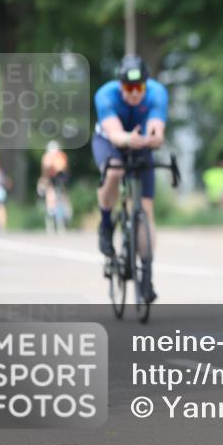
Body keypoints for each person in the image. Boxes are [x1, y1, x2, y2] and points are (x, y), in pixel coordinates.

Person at [92, 55, 169, 302]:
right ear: (120, 85)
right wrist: (127, 139)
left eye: (139, 88)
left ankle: (146, 276)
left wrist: (155, 137)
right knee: (114, 170)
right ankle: (105, 223)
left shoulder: (157, 93)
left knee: (145, 211)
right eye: (129, 88)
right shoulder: (106, 95)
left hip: (141, 142)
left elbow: (157, 125)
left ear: (146, 85)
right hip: (111, 141)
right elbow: (114, 134)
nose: (135, 94)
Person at [38, 140, 70, 228]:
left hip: (52, 177)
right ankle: (66, 211)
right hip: (61, 177)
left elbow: (44, 173)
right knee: (62, 193)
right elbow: (66, 170)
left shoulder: (47, 157)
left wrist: (43, 181)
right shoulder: (62, 156)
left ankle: (51, 209)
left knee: (50, 191)